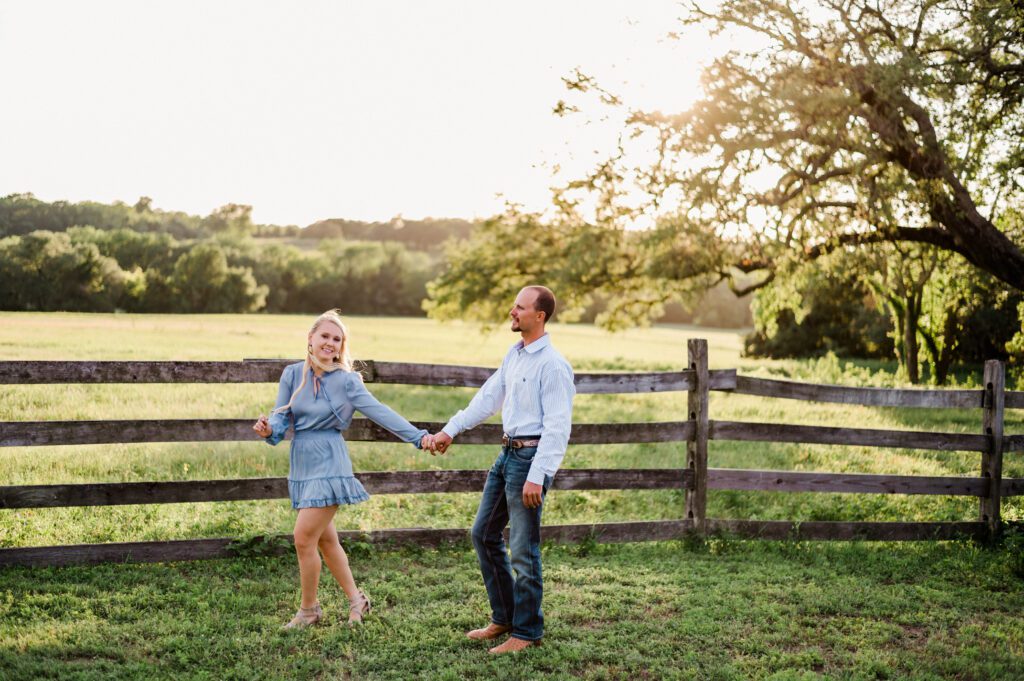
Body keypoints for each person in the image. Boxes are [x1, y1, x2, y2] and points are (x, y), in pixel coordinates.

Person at [253, 309, 432, 629]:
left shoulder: (347, 381)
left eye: (337, 339)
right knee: (324, 540)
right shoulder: (292, 374)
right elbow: (281, 417)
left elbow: (381, 412)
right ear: (310, 338)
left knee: (303, 538)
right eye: (324, 336)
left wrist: (419, 438)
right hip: (302, 461)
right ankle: (357, 601)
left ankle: (309, 611)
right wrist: (268, 429)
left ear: (341, 346)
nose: (330, 343)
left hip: (330, 461)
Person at [429, 285, 575, 654]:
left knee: (524, 550)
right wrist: (451, 429)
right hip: (506, 455)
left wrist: (537, 475)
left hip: (530, 459)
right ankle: (505, 618)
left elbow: (558, 427)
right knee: (483, 533)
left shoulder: (553, 365)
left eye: (520, 307)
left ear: (539, 316)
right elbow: (489, 397)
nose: (512, 311)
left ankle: (526, 633)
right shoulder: (516, 355)